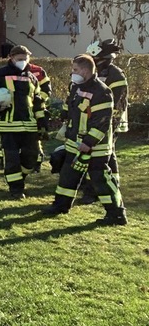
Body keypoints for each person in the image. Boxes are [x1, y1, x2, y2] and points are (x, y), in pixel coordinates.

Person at [44, 54, 127, 226]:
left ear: (85, 70)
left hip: (95, 147)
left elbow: (102, 122)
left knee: (101, 180)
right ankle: (61, 206)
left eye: (75, 69)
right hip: (75, 144)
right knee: (68, 176)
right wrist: (63, 114)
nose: (72, 73)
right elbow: (70, 105)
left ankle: (117, 214)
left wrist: (88, 143)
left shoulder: (101, 91)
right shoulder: (76, 86)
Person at [0, 45, 48, 199]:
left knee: (32, 157)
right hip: (8, 126)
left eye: (26, 59)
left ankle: (18, 178)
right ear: (11, 58)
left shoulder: (32, 78)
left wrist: (42, 121)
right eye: (20, 59)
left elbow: (38, 101)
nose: (23, 62)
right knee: (12, 159)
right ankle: (16, 190)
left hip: (29, 126)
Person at [77, 39, 128, 205]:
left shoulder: (115, 75)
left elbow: (118, 103)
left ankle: (95, 190)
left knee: (101, 157)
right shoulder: (96, 73)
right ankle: (105, 185)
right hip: (94, 122)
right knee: (105, 156)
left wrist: (107, 125)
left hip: (109, 123)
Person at [0, 60, 52, 171]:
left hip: (35, 109)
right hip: (16, 113)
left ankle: (36, 162)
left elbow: (46, 89)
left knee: (35, 138)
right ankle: (4, 160)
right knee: (10, 142)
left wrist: (37, 101)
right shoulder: (8, 72)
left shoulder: (38, 70)